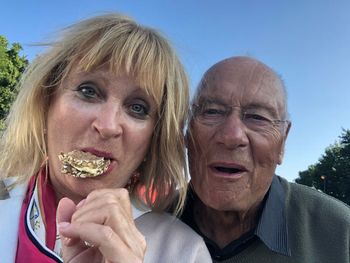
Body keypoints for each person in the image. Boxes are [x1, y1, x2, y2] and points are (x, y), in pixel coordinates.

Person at [0, 13, 211, 263]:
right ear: (46, 104)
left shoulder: (183, 252)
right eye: (88, 91)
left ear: (153, 141)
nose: (108, 126)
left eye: (138, 108)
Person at [181, 56, 350, 262]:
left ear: (283, 141)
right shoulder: (145, 225)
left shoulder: (341, 234)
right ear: (187, 132)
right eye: (212, 111)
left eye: (257, 117)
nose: (232, 136)